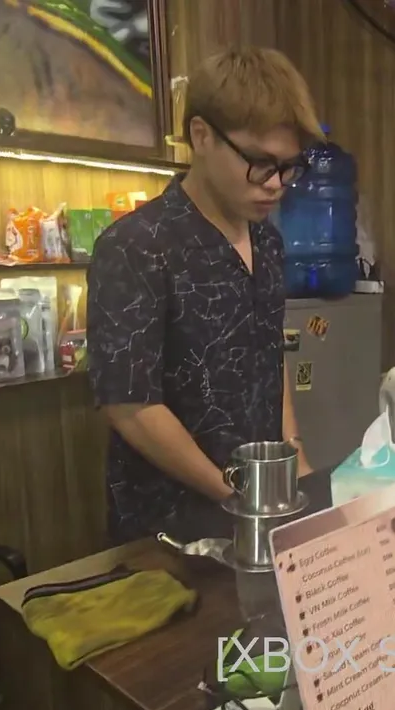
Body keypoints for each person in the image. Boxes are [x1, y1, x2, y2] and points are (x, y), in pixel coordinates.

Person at [87, 48, 323, 546]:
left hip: (260, 508)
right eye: (259, 163)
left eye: (288, 167)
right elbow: (130, 405)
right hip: (168, 529)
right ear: (201, 135)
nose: (276, 185)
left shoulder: (268, 242)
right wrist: (235, 495)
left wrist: (296, 464)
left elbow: (269, 357)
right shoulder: (136, 246)